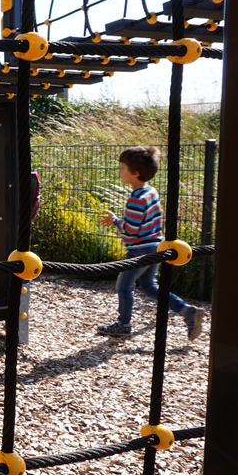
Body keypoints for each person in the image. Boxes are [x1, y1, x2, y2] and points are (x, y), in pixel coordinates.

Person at [97, 146, 204, 340]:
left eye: (122, 168)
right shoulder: (150, 191)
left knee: (124, 286)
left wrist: (115, 221)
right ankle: (187, 311)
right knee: (149, 286)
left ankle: (123, 324)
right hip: (155, 246)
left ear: (135, 173)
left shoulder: (136, 199)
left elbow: (132, 229)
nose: (120, 171)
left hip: (139, 251)